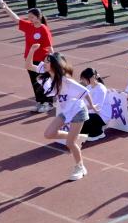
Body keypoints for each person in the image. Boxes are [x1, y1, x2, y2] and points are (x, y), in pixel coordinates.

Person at [25, 50, 93, 181]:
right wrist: (32, 49)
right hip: (66, 111)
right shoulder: (46, 73)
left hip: (77, 110)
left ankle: (80, 167)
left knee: (70, 143)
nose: (44, 63)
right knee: (48, 134)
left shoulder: (65, 80)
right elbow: (28, 65)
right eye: (44, 61)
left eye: (47, 61)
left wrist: (93, 106)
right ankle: (77, 137)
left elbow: (85, 91)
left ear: (54, 64)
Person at [1, 4, 54, 113]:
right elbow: (16, 19)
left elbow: (49, 47)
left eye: (32, 17)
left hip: (41, 60)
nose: (30, 19)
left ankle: (48, 103)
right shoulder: (29, 26)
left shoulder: (44, 29)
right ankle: (39, 102)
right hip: (30, 59)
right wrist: (6, 8)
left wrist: (53, 61)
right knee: (34, 82)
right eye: (29, 17)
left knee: (43, 82)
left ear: (38, 17)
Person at [77, 68, 108, 142]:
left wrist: (81, 109)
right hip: (90, 113)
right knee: (81, 131)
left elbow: (97, 107)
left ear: (93, 77)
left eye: (85, 79)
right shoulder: (88, 87)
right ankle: (93, 129)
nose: (84, 81)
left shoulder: (101, 89)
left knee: (83, 118)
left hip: (100, 115)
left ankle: (99, 132)